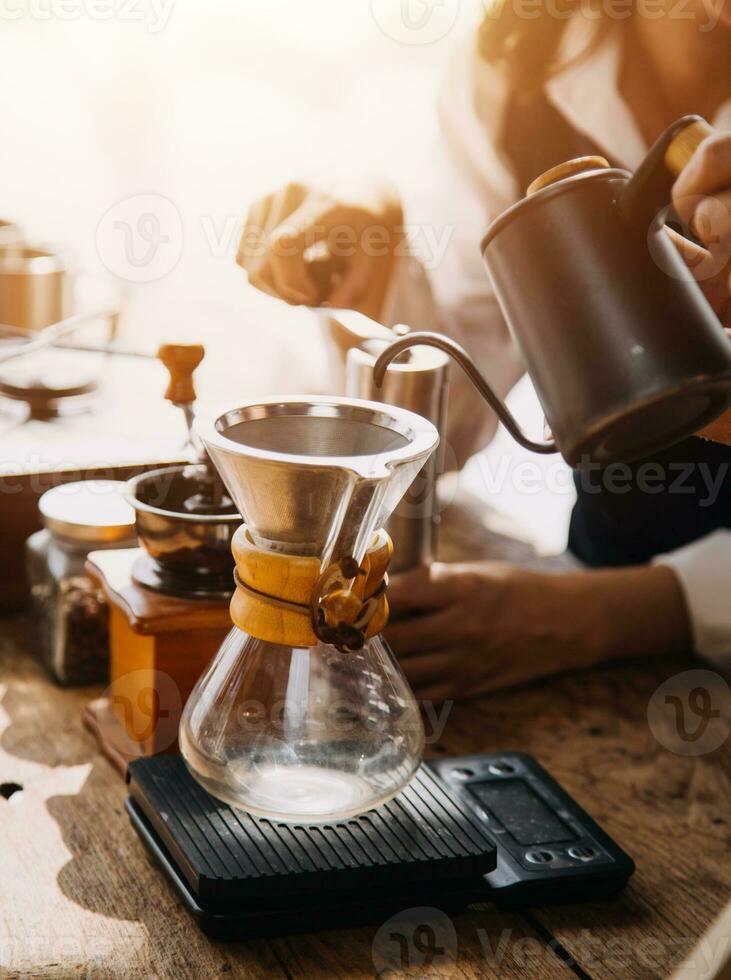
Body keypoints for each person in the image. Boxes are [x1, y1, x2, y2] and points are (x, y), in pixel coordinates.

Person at [237, 1, 731, 699]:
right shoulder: (520, 61)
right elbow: (451, 423)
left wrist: (628, 612)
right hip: (598, 669)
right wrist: (381, 273)